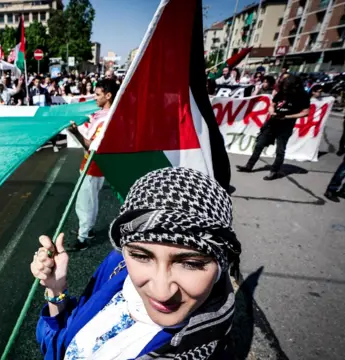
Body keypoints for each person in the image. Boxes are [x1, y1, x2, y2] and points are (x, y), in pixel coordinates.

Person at [32, 167, 241, 359]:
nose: (161, 292)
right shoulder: (118, 265)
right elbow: (60, 342)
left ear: (220, 265)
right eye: (142, 256)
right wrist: (55, 289)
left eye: (191, 263)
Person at [67, 79, 119, 250]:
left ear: (108, 95)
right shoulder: (102, 115)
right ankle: (87, 230)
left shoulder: (106, 119)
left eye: (98, 95)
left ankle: (83, 239)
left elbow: (92, 146)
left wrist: (75, 133)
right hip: (93, 166)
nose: (94, 98)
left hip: (93, 166)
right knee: (91, 201)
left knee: (85, 203)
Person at [236, 75, 310, 180]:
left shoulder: (302, 96)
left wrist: (287, 116)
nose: (285, 88)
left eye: (287, 86)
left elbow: (305, 112)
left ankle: (274, 171)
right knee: (259, 144)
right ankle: (249, 166)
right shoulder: (282, 92)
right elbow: (273, 103)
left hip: (286, 125)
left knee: (280, 150)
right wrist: (271, 110)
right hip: (272, 123)